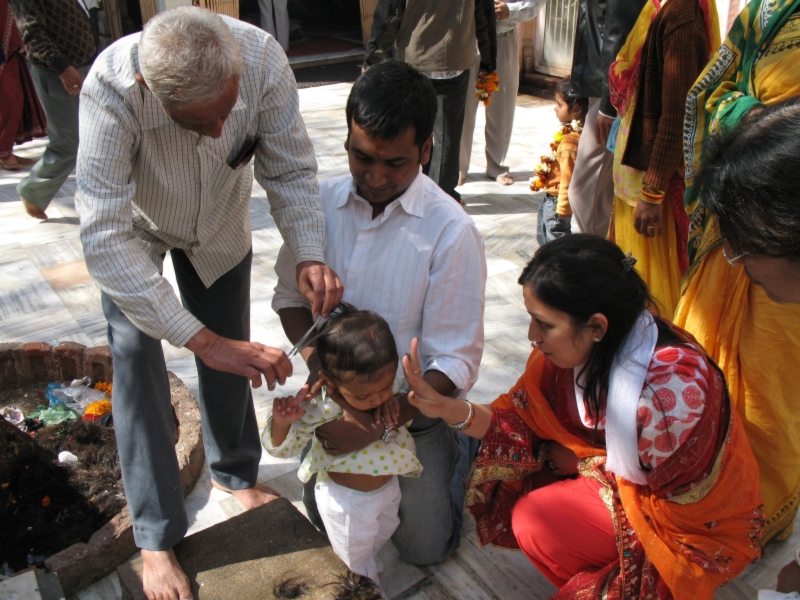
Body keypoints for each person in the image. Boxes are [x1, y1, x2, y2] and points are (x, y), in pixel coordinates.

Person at [75, 8, 343, 600]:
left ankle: (236, 472)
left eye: (229, 112)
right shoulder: (110, 89)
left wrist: (308, 254)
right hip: (137, 235)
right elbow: (103, 233)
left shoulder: (263, 61)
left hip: (220, 227)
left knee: (234, 353)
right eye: (203, 122)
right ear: (151, 90)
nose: (223, 132)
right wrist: (198, 340)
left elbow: (292, 170)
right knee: (136, 367)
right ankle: (154, 535)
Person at [400, 234, 764, 598]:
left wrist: (584, 463)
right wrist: (444, 408)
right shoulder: (571, 355)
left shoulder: (669, 400)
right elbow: (515, 421)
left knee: (539, 515)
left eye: (544, 324)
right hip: (629, 485)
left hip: (690, 529)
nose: (532, 337)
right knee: (531, 487)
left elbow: (681, 514)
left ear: (597, 327)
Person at [271, 59, 487, 567]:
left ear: (427, 151)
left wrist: (383, 421)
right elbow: (286, 299)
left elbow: (455, 360)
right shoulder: (318, 206)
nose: (375, 176)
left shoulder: (451, 232)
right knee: (330, 528)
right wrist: (327, 379)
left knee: (425, 550)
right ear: (347, 142)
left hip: (416, 410)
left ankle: (458, 453)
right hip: (338, 394)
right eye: (361, 157)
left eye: (395, 163)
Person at [678, 0, 800, 543]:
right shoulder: (770, 12)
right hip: (755, 213)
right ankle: (714, 503)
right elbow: (712, 92)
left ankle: (757, 513)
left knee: (773, 395)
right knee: (710, 373)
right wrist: (759, 129)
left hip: (781, 225)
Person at [265, 304, 421, 589]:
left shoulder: (388, 387)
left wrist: (402, 392)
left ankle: (368, 563)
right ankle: (364, 587)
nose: (377, 399)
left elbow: (406, 400)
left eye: (384, 389)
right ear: (330, 381)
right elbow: (282, 449)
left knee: (382, 531)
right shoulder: (321, 407)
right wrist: (282, 423)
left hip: (387, 489)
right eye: (364, 395)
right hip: (347, 502)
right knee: (352, 560)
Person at [608, 0, 719, 318]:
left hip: (655, 188)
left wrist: (653, 190)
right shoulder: (662, 7)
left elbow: (678, 114)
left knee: (653, 295)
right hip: (638, 181)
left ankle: (662, 361)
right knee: (631, 278)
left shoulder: (682, 16)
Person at [364, 0, 497, 203]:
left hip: (414, 59)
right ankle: (441, 200)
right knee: (447, 138)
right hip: (453, 58)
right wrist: (488, 62)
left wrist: (372, 58)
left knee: (413, 132)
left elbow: (389, 14)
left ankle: (412, 193)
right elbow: (485, 16)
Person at [7, 0, 96, 220]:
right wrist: (63, 68)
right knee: (67, 142)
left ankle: (97, 196)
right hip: (59, 73)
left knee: (95, 135)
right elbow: (33, 34)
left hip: (83, 64)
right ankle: (33, 191)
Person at [567, 0, 646, 237]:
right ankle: (597, 249)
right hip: (599, 86)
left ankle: (594, 252)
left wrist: (608, 106)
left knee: (583, 189)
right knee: (595, 188)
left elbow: (619, 35)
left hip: (612, 93)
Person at [459, 0, 542, 186]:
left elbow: (535, 3)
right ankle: (458, 167)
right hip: (466, 38)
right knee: (461, 107)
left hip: (503, 36)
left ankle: (497, 165)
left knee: (502, 106)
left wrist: (510, 10)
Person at [531, 79, 587, 245]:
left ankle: (560, 267)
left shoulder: (570, 142)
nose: (555, 108)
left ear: (576, 110)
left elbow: (568, 180)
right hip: (550, 198)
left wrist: (562, 209)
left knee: (557, 241)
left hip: (556, 202)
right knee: (545, 237)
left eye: (560, 105)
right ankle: (546, 260)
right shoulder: (572, 133)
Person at [0, 0, 46, 171]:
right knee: (9, 101)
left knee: (17, 99)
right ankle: (3, 152)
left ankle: (7, 149)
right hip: (6, 53)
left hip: (11, 54)